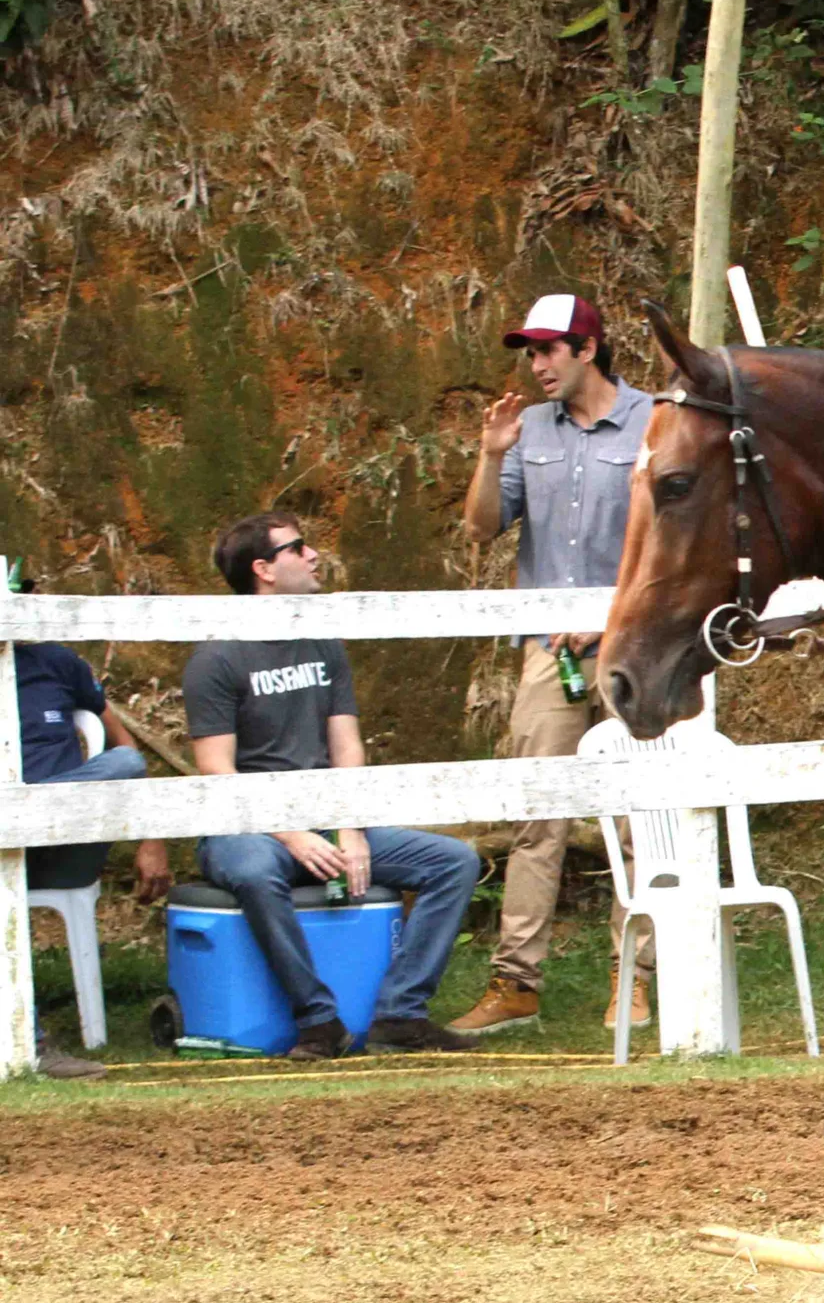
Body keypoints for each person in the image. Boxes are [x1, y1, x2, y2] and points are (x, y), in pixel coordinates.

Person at [183, 513, 481, 1061]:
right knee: (252, 872)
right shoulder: (216, 657)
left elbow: (346, 746)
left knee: (453, 861)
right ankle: (318, 1022)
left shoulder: (322, 639)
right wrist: (292, 835)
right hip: (248, 828)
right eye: (298, 548)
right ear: (263, 570)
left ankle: (401, 1013)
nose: (314, 554)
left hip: (328, 816)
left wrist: (350, 827)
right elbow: (216, 771)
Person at [452, 293, 655, 1036]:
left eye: (547, 350)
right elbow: (480, 528)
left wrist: (605, 616)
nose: (536, 365)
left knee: (640, 823)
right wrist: (491, 453)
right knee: (538, 819)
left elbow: (672, 540)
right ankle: (517, 984)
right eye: (530, 352)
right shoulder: (528, 427)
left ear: (588, 348)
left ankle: (634, 979)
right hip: (546, 655)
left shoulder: (654, 420)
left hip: (634, 645)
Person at [9, 562, 172, 1079]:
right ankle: (30, 1044)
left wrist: (152, 839)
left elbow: (123, 748)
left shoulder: (55, 663)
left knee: (124, 764)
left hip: (63, 841)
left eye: (21, 598)